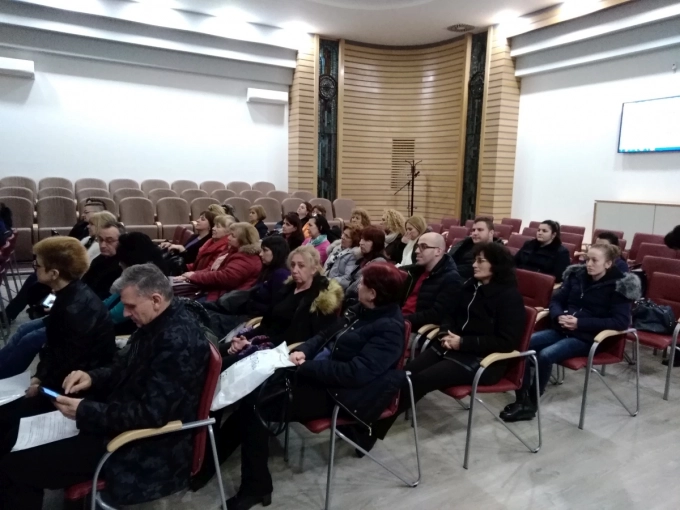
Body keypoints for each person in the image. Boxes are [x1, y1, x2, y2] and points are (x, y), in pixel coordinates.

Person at [0, 264, 210, 509]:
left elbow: (152, 415)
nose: (126, 313)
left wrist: (85, 410)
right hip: (118, 419)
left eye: (131, 306)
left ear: (155, 299)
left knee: (16, 467)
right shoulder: (156, 323)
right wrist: (92, 377)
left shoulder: (177, 342)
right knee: (14, 429)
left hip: (144, 447)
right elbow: (123, 366)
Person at [210, 262, 406, 509]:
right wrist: (303, 351)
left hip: (341, 394)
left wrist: (306, 366)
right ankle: (211, 461)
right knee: (252, 390)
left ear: (373, 294)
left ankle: (256, 487)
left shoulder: (389, 329)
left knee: (257, 405)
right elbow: (323, 335)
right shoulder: (361, 310)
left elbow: (356, 374)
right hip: (322, 376)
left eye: (363, 283)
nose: (358, 286)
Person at [365, 242, 526, 450]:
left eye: (480, 261)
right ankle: (366, 415)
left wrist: (463, 342)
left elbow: (507, 342)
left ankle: (371, 430)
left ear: (496, 265)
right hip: (452, 347)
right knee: (405, 373)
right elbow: (449, 314)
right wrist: (445, 334)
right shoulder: (470, 286)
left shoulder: (509, 297)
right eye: (475, 260)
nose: (474, 265)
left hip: (484, 361)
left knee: (421, 380)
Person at [500, 243, 641, 423]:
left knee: (545, 355)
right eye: (587, 259)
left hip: (588, 337)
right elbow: (556, 300)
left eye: (594, 260)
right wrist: (559, 315)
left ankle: (532, 404)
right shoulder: (577, 276)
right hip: (562, 328)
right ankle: (522, 399)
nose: (588, 264)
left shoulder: (619, 286)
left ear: (608, 264)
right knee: (522, 347)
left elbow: (621, 322)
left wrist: (580, 323)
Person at [0, 236, 115, 389]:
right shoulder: (70, 291)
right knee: (25, 331)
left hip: (79, 382)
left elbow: (68, 362)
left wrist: (40, 382)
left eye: (37, 265)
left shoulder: (72, 309)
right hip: (71, 371)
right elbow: (55, 350)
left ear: (54, 274)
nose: (35, 268)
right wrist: (40, 376)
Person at [224, 245, 343, 362]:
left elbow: (298, 338)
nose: (294, 270)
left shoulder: (319, 299)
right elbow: (266, 323)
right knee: (218, 351)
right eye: (293, 265)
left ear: (314, 269)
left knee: (223, 363)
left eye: (301, 266)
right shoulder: (288, 288)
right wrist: (244, 338)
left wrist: (250, 344)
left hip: (281, 352)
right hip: (262, 340)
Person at [205, 236, 291, 338]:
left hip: (252, 319)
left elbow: (275, 307)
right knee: (203, 310)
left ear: (277, 251)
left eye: (265, 250)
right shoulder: (269, 270)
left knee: (208, 318)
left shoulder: (281, 274)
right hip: (244, 312)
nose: (261, 254)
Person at [178, 222, 262, 302]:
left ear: (244, 240)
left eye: (233, 236)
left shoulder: (247, 258)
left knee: (180, 305)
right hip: (215, 292)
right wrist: (192, 274)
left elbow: (225, 278)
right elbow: (212, 270)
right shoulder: (234, 251)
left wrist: (194, 276)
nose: (228, 238)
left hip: (223, 299)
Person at [103, 232, 168, 335]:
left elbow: (114, 316)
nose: (119, 264)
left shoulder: (146, 281)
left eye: (122, 261)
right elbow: (107, 302)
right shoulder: (136, 276)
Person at [400, 232, 462, 331]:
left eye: (423, 247)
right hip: (399, 320)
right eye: (417, 246)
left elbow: (436, 315)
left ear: (438, 251)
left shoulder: (451, 278)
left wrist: (399, 319)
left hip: (414, 328)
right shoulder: (415, 271)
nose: (416, 251)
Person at [81, 220, 125, 300]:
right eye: (100, 240)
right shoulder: (98, 259)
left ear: (121, 241)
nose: (102, 245)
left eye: (109, 241)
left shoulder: (122, 265)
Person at [346, 226, 388, 299]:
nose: (361, 243)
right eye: (361, 239)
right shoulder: (364, 258)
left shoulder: (379, 262)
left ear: (376, 243)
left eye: (366, 240)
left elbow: (355, 289)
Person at [324, 224, 361, 290]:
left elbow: (347, 278)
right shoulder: (336, 248)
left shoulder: (353, 255)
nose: (342, 237)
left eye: (347, 236)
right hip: (326, 282)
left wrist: (329, 281)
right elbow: (326, 266)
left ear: (354, 241)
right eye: (343, 234)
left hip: (336, 288)